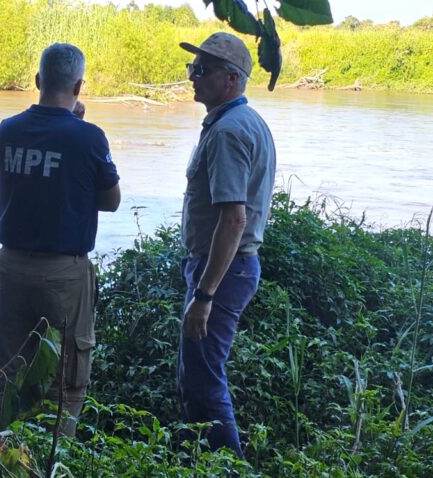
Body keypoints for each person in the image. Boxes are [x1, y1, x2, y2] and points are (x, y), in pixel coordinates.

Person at [0, 43, 121, 436]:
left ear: (37, 80)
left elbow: (31, 180)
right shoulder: (89, 138)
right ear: (78, 86)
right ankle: (54, 455)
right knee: (65, 382)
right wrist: (78, 127)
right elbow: (111, 201)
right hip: (63, 275)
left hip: (11, 268)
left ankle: (1, 452)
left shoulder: (6, 130)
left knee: (9, 374)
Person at [177, 32, 276, 456]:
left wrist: (204, 295)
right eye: (192, 67)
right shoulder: (244, 121)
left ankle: (228, 466)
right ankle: (197, 460)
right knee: (196, 373)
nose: (192, 77)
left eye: (203, 70)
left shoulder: (228, 133)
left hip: (221, 272)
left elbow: (234, 219)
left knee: (204, 380)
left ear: (231, 79)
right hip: (228, 269)